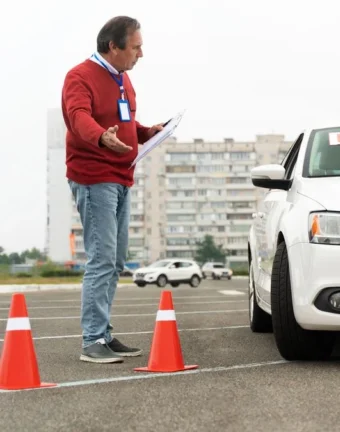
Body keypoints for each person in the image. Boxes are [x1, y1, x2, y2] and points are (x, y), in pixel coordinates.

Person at [61, 16, 164, 363]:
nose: (141, 54)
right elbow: (78, 117)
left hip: (122, 176)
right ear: (112, 47)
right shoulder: (79, 76)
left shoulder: (123, 79)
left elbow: (124, 121)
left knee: (116, 260)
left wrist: (146, 131)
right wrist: (100, 136)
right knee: (101, 258)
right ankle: (92, 341)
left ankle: (104, 334)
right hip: (94, 177)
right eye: (135, 47)